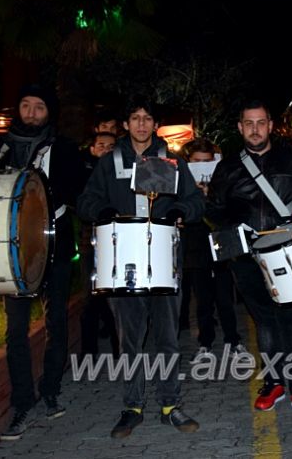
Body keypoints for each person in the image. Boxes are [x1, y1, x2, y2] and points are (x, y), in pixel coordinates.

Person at [77, 95, 205, 438]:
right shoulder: (110, 160)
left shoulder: (170, 159)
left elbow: (194, 200)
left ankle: (170, 406)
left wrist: (182, 212)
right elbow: (86, 200)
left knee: (167, 338)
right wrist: (100, 211)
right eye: (135, 118)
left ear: (155, 124)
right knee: (129, 339)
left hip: (164, 261)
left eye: (148, 118)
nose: (142, 124)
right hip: (124, 265)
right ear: (126, 124)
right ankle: (132, 407)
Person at [206, 100, 292, 418]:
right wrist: (233, 222)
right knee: (266, 322)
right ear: (240, 127)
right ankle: (273, 382)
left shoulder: (291, 161)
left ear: (271, 125)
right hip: (246, 257)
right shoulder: (227, 168)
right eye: (249, 123)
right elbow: (213, 210)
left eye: (261, 122)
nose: (255, 129)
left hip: (287, 252)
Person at [0, 84, 86, 440]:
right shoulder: (1, 148)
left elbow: (79, 190)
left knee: (56, 321)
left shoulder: (63, 148)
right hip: (12, 251)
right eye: (25, 105)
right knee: (15, 329)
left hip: (54, 244)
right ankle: (22, 400)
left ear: (50, 112)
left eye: (39, 107)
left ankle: (50, 389)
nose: (31, 113)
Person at [180, 139, 245, 362]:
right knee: (203, 299)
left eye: (206, 162)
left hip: (220, 242)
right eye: (196, 162)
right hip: (196, 246)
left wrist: (212, 195)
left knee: (225, 296)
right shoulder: (182, 182)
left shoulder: (223, 180)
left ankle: (233, 340)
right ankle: (205, 342)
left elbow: (232, 209)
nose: (201, 165)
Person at [78, 131, 118, 359]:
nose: (105, 150)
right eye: (101, 145)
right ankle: (88, 352)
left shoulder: (119, 174)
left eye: (111, 146)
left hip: (115, 244)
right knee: (89, 300)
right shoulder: (84, 173)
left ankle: (118, 349)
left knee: (113, 300)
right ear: (92, 149)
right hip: (89, 244)